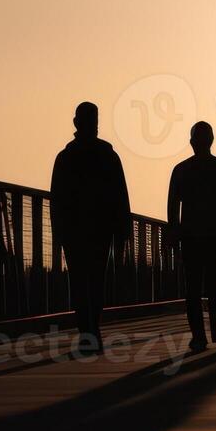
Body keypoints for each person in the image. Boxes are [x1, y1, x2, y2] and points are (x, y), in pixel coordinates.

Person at [50, 102, 132, 357]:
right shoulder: (108, 156)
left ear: (76, 123)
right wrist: (123, 229)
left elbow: (57, 197)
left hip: (74, 230)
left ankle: (86, 331)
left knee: (79, 281)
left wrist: (58, 230)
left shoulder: (66, 157)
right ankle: (92, 329)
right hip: (101, 229)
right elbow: (120, 195)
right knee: (96, 280)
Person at [167, 121, 216, 352]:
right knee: (213, 282)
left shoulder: (181, 170)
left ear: (191, 142)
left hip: (190, 236)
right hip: (215, 235)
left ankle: (198, 335)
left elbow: (172, 207)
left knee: (192, 287)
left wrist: (174, 233)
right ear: (211, 141)